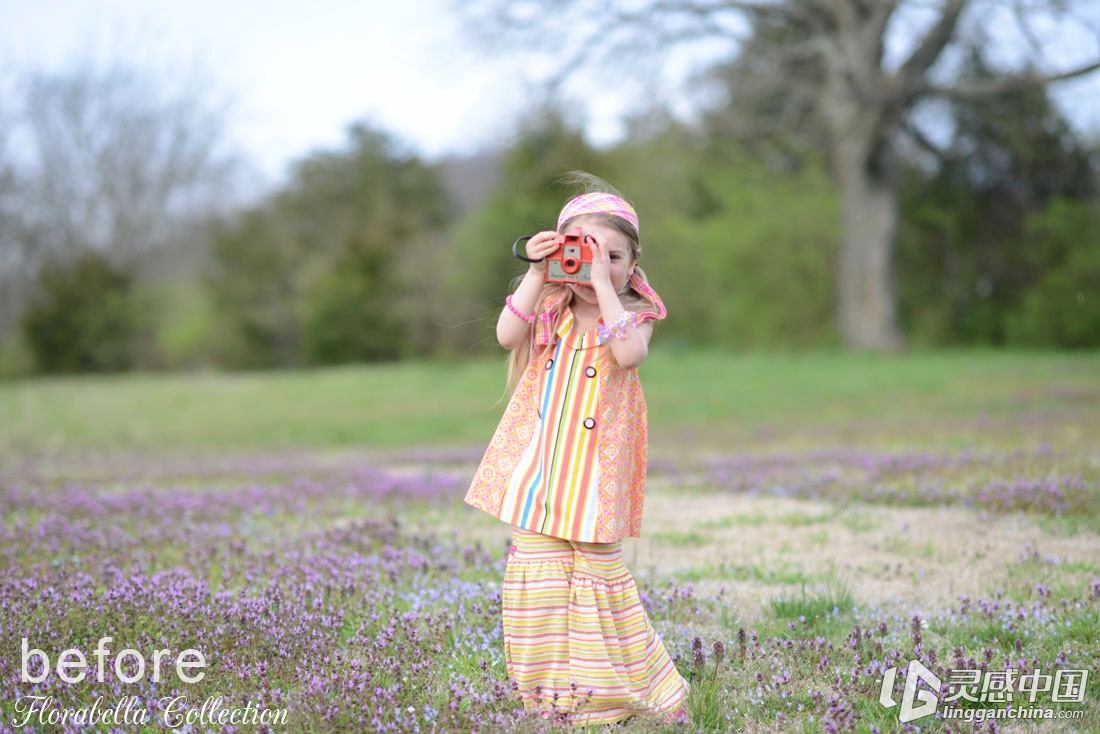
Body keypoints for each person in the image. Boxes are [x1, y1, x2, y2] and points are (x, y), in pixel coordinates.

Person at [464, 173, 689, 726]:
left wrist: (607, 289)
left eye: (613, 256)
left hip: (594, 479)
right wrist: (538, 274)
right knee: (537, 582)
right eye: (584, 251)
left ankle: (622, 695)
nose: (597, 265)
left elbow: (629, 354)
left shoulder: (634, 313)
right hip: (543, 473)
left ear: (633, 266)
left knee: (598, 585)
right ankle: (550, 698)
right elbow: (505, 337)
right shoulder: (550, 308)